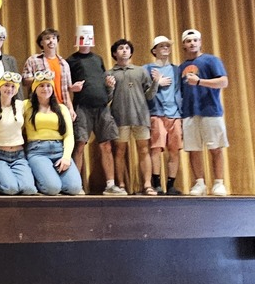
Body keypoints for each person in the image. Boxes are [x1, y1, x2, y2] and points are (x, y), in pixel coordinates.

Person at [66, 25, 123, 196]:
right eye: (82, 38)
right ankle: (76, 185)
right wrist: (71, 88)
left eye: (88, 38)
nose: (85, 41)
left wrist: (109, 86)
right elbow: (65, 86)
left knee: (106, 145)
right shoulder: (71, 61)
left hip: (102, 107)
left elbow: (103, 80)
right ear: (77, 40)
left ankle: (110, 184)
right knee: (80, 144)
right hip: (82, 107)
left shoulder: (98, 59)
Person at [179, 29, 229, 196]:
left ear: (200, 42)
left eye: (195, 40)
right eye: (189, 41)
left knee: (215, 148)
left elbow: (223, 81)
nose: (192, 43)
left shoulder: (211, 60)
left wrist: (200, 81)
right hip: (189, 112)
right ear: (184, 45)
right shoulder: (181, 67)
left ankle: (219, 183)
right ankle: (199, 183)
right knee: (194, 149)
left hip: (210, 110)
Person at [106, 39, 158, 195]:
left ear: (131, 52)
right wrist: (109, 87)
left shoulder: (140, 71)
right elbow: (106, 99)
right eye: (120, 48)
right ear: (114, 53)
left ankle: (147, 185)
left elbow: (149, 95)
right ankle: (121, 185)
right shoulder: (109, 73)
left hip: (141, 117)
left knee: (144, 150)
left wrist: (156, 82)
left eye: (127, 48)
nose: (124, 50)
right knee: (120, 152)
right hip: (120, 118)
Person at [23, 70, 82, 196]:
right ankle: (40, 180)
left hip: (59, 150)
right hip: (37, 151)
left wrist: (66, 157)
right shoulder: (26, 106)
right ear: (34, 89)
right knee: (52, 188)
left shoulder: (62, 108)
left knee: (74, 188)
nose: (45, 89)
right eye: (41, 85)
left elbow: (69, 135)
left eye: (48, 85)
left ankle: (52, 178)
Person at [0, 72, 36, 195]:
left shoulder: (22, 105)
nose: (9, 89)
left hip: (19, 155)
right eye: (6, 85)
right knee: (11, 189)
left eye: (13, 86)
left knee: (29, 189)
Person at [144, 35, 183, 195]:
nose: (165, 48)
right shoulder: (147, 69)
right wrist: (156, 83)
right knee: (156, 148)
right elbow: (146, 94)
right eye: (161, 46)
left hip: (175, 114)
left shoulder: (176, 69)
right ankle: (157, 183)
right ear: (154, 51)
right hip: (157, 113)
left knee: (174, 149)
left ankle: (171, 184)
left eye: (167, 45)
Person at [22, 28, 74, 119]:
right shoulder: (33, 60)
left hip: (61, 107)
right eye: (47, 38)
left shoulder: (64, 63)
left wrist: (70, 108)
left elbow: (66, 90)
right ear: (41, 43)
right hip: (40, 108)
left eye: (54, 38)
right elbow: (25, 81)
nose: (51, 41)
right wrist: (41, 78)